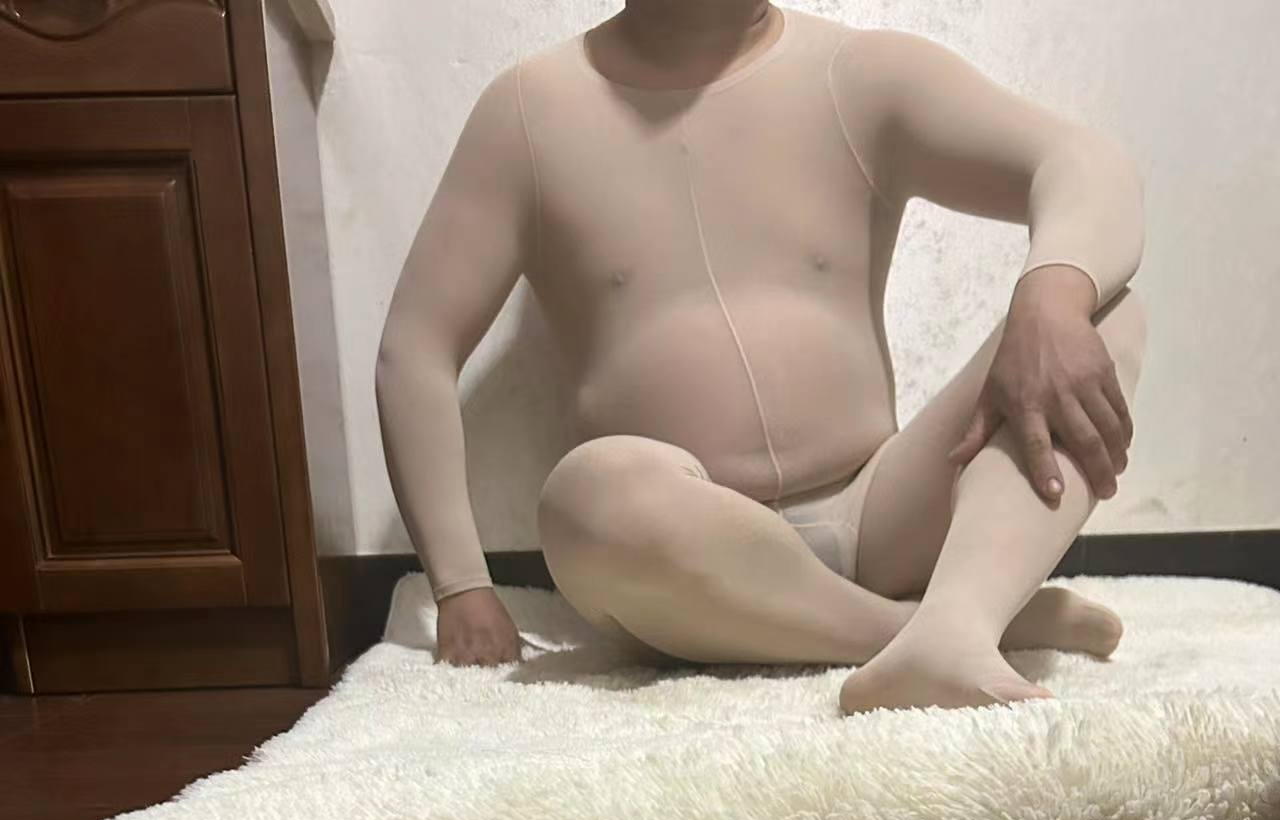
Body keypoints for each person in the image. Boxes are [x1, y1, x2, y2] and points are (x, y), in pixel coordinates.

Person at [376, 0, 1147, 713]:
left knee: (1100, 314)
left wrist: (1052, 296)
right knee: (586, 496)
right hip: (686, 561)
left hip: (883, 512)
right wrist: (460, 583)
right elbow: (417, 346)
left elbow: (1081, 160)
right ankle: (935, 629)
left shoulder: (860, 74)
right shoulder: (529, 111)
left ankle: (958, 619)